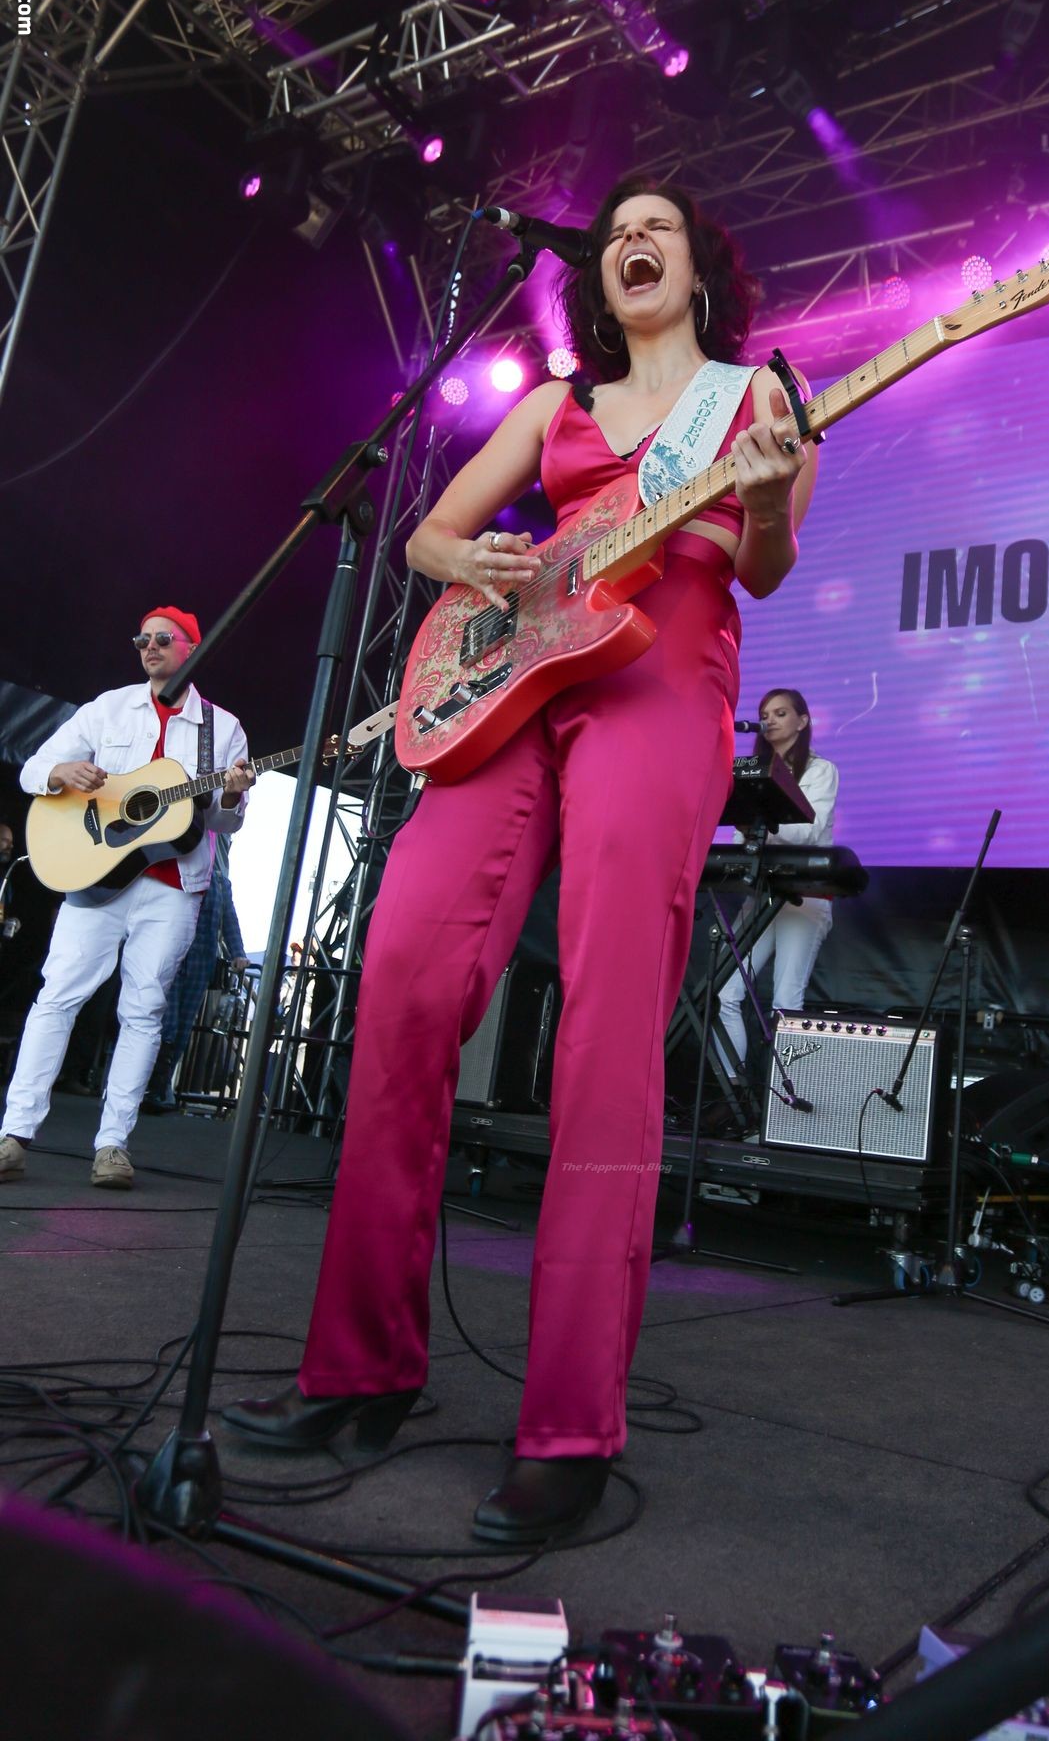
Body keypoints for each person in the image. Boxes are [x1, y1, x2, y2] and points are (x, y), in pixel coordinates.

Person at [224, 176, 817, 1542]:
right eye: (615, 233)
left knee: (606, 1036)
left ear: (701, 270)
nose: (631, 242)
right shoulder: (554, 407)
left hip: (661, 675)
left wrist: (767, 502)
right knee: (402, 983)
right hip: (517, 678)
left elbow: (767, 568)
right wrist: (479, 565)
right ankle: (359, 1368)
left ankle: (568, 1426)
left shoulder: (756, 399)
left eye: (658, 228)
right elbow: (428, 534)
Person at [0, 609, 254, 1189]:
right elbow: (34, 770)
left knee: (143, 1010)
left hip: (173, 888)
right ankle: (13, 1135)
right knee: (57, 996)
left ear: (191, 648)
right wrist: (63, 772)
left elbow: (225, 822)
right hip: (95, 874)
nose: (148, 646)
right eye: (142, 638)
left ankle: (112, 1145)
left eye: (162, 638)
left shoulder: (223, 729)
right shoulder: (108, 708)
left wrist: (232, 796)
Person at [717, 689, 840, 1094]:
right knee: (723, 992)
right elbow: (740, 841)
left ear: (802, 721)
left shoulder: (821, 770)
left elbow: (807, 832)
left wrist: (758, 824)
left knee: (786, 1002)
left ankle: (787, 1100)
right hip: (762, 894)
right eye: (765, 714)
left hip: (804, 898)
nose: (769, 720)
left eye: (781, 713)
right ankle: (735, 1093)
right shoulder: (752, 772)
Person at [141, 851, 248, 1114]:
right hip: (171, 954)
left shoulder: (220, 883)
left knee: (182, 1027)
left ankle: (160, 1085)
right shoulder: (176, 871)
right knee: (167, 1022)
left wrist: (238, 952)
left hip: (200, 962)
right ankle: (148, 1085)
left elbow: (229, 919)